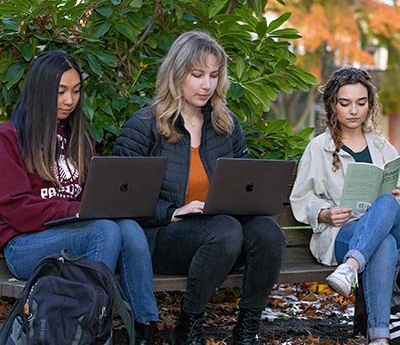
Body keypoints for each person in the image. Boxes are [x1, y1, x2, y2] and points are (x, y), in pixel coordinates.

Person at [113, 30, 285, 345]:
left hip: (221, 232)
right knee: (225, 231)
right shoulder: (144, 126)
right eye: (197, 75)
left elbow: (243, 182)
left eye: (214, 76)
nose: (207, 85)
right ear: (176, 74)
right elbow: (121, 199)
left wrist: (249, 201)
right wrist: (173, 211)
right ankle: (188, 325)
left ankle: (246, 330)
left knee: (268, 233)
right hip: (164, 236)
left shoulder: (225, 124)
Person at [0, 50, 158, 344]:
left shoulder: (78, 139)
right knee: (104, 230)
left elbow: (90, 195)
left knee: (129, 229)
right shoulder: (9, 138)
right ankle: (87, 332)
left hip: (73, 234)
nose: (69, 100)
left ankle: (145, 328)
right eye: (60, 92)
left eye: (75, 91)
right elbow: (17, 209)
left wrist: (107, 202)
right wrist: (77, 212)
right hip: (23, 244)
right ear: (40, 90)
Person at [290, 67, 400, 345]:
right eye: (345, 103)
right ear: (332, 106)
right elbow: (302, 198)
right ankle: (380, 338)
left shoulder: (383, 147)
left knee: (387, 201)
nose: (354, 110)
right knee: (383, 245)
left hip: (382, 225)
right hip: (340, 234)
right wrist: (324, 213)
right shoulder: (319, 148)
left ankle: (351, 267)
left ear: (370, 105)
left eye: (361, 103)